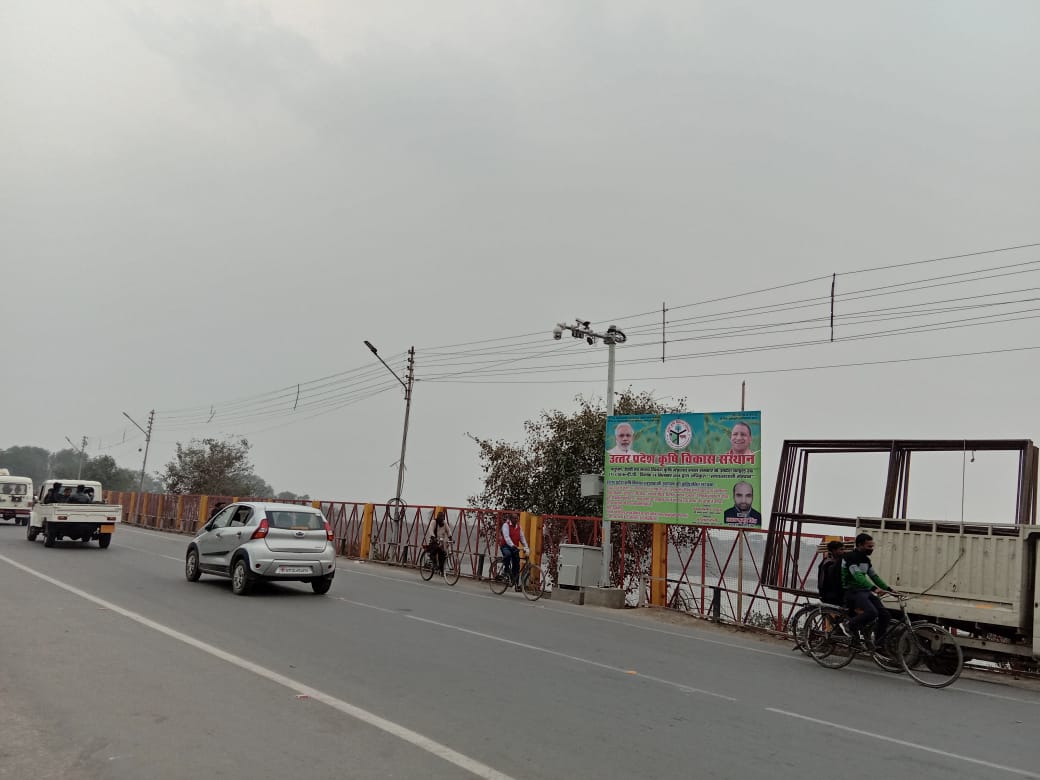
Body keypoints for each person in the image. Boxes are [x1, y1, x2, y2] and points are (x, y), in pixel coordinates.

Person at [841, 533, 897, 648]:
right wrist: (874, 588)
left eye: (872, 546)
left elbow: (874, 576)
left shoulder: (866, 560)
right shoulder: (850, 557)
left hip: (863, 591)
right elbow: (858, 576)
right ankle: (849, 624)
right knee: (872, 612)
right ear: (860, 545)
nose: (872, 549)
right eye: (869, 546)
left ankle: (878, 644)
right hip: (853, 591)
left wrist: (889, 589)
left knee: (885, 615)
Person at [499, 515, 529, 592]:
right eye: (514, 518)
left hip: (514, 547)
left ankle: (516, 584)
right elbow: (506, 537)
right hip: (506, 546)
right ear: (511, 519)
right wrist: (512, 545)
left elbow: (522, 538)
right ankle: (505, 571)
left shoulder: (519, 527)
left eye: (517, 519)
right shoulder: (506, 525)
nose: (516, 520)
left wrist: (526, 547)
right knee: (508, 555)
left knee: (516, 565)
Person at [816, 541, 845, 606]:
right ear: (834, 550)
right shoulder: (828, 563)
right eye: (841, 549)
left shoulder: (831, 561)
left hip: (831, 593)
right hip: (830, 594)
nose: (843, 552)